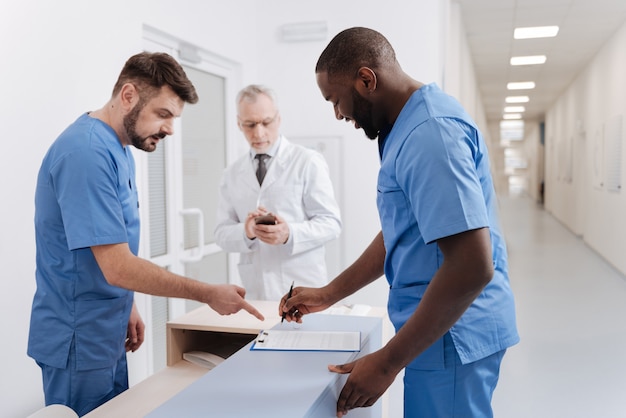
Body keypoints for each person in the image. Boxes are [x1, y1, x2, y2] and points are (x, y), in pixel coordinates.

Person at [280, 27, 519, 418]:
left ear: (366, 80)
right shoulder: (404, 129)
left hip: (453, 333)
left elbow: (473, 266)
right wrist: (328, 293)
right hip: (438, 331)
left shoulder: (430, 134)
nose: (338, 114)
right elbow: (404, 230)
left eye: (336, 100)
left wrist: (388, 362)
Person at [28, 52, 264, 416]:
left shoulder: (117, 149)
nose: (170, 128)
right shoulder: (86, 154)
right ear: (128, 96)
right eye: (164, 114)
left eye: (174, 118)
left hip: (104, 330)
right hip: (78, 338)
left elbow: (104, 248)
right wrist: (206, 293)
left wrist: (127, 302)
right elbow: (118, 267)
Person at [214, 84, 342, 301]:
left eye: (266, 122)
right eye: (250, 124)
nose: (259, 132)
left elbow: (331, 224)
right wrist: (246, 232)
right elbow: (221, 233)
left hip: (303, 284)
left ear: (278, 119)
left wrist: (289, 233)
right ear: (238, 123)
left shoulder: (307, 161)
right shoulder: (232, 174)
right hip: (256, 291)